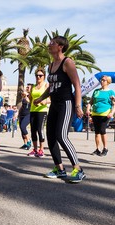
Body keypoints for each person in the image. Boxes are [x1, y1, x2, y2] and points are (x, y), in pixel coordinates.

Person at [34, 36, 85, 183]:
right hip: (54, 105)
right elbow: (51, 87)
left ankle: (78, 169)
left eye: (52, 43)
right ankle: (60, 169)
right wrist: (41, 98)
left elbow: (77, 85)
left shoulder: (67, 62)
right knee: (50, 136)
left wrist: (78, 105)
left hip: (66, 103)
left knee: (61, 135)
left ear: (60, 46)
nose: (49, 45)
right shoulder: (51, 65)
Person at [86, 75, 115, 156]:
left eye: (103, 80)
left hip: (105, 113)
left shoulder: (111, 92)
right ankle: (97, 149)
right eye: (101, 80)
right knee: (97, 131)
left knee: (102, 130)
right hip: (95, 113)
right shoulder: (96, 91)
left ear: (108, 82)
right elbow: (90, 102)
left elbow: (114, 104)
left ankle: (105, 148)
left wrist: (112, 113)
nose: (101, 81)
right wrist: (88, 109)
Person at [27, 67, 49, 157]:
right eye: (37, 75)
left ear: (44, 76)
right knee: (33, 130)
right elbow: (31, 99)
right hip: (33, 110)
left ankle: (41, 149)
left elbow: (51, 99)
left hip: (42, 110)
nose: (38, 77)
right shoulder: (33, 87)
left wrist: (45, 101)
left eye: (40, 75)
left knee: (40, 130)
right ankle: (35, 149)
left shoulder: (46, 85)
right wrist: (27, 96)